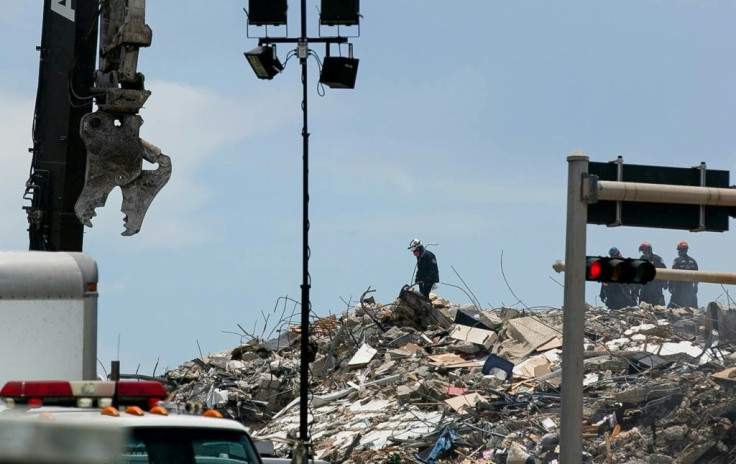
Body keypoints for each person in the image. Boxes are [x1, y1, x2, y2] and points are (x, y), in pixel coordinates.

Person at [668, 241, 698, 308]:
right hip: (690, 287)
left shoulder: (677, 260)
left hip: (679, 286)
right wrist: (695, 286)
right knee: (691, 305)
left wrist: (670, 285)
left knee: (674, 305)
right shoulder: (693, 261)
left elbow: (672, 274)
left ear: (679, 250)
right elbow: (698, 275)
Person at [637, 241, 667, 306]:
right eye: (643, 250)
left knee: (653, 300)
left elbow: (664, 271)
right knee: (642, 300)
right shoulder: (641, 259)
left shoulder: (657, 259)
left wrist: (665, 282)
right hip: (645, 284)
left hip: (656, 284)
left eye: (645, 250)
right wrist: (635, 289)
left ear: (649, 250)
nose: (644, 252)